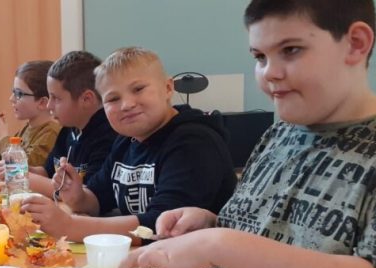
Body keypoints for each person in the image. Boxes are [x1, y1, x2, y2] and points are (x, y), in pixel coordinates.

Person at [115, 0, 376, 268]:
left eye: (291, 50)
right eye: (260, 56)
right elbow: (264, 239)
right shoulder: (278, 135)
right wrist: (207, 224)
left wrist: (219, 243)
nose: (269, 73)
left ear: (356, 43)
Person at [23, 47, 237, 242]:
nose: (126, 104)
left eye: (138, 89)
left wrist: (69, 225)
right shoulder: (126, 140)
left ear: (168, 88)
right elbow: (98, 197)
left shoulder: (194, 142)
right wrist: (78, 196)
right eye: (113, 99)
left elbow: (161, 227)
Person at [25, 51, 119, 198]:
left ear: (86, 99)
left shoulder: (109, 136)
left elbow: (86, 195)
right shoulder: (69, 129)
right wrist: (20, 169)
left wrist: (25, 179)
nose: (49, 105)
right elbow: (47, 172)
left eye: (56, 98)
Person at [0, 60, 61, 168]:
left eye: (19, 94)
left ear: (42, 103)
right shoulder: (27, 129)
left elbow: (23, 169)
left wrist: (2, 138)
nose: (11, 99)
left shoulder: (51, 133)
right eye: (13, 92)